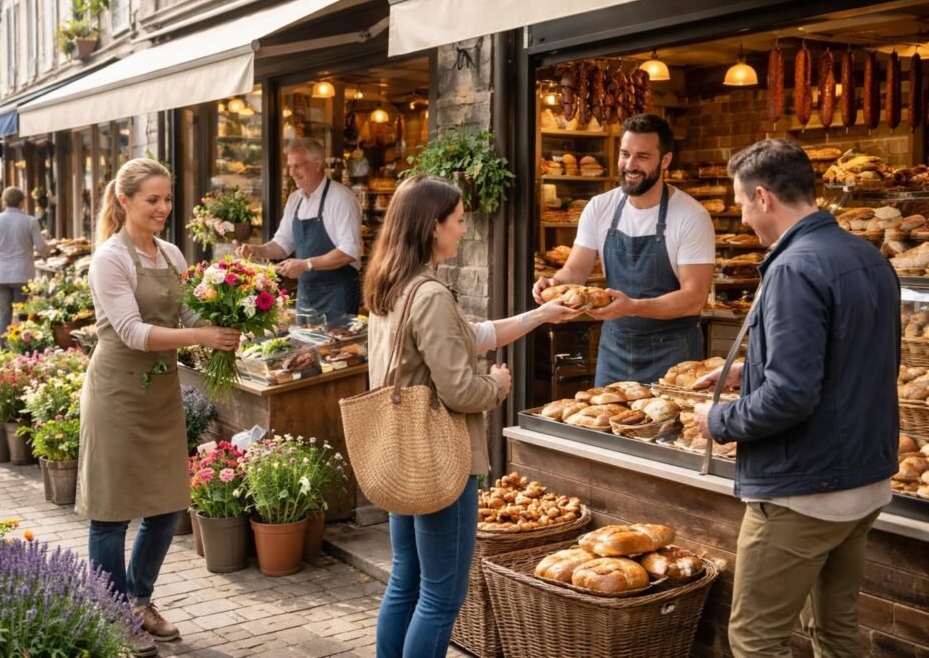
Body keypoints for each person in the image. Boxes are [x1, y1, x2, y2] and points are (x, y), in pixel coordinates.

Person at [692, 139, 899, 658]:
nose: (742, 219)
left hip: (804, 489)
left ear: (763, 197)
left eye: (740, 204)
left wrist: (717, 419)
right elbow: (854, 356)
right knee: (836, 633)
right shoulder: (866, 256)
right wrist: (748, 367)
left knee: (755, 640)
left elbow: (789, 397)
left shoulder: (791, 268)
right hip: (865, 482)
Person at [366, 174, 580, 658]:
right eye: (459, 221)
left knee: (406, 580)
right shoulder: (431, 293)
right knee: (441, 596)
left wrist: (539, 316)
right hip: (440, 458)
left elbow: (473, 335)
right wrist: (498, 387)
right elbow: (462, 391)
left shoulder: (390, 285)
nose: (464, 230)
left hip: (402, 451)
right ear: (431, 225)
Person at [76, 158, 242, 658]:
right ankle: (112, 614)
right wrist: (201, 335)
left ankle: (139, 599)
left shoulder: (171, 254)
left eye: (168, 199)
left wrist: (235, 314)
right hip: (117, 392)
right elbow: (131, 331)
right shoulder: (110, 259)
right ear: (124, 200)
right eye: (153, 199)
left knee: (169, 505)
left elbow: (189, 310)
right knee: (111, 511)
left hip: (160, 391)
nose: (163, 208)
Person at [533, 114, 715, 386]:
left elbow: (695, 297)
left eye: (642, 156)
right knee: (601, 424)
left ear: (665, 161)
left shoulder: (691, 216)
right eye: (625, 154)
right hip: (615, 348)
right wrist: (556, 283)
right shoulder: (599, 207)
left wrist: (632, 307)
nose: (630, 165)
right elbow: (576, 268)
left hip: (674, 354)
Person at [236, 137, 362, 320]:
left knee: (336, 349)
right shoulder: (295, 199)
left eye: (298, 166)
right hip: (306, 295)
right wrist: (257, 250)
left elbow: (349, 251)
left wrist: (306, 264)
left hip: (337, 295)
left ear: (317, 164)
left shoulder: (341, 198)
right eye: (290, 166)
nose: (292, 172)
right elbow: (282, 244)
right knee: (305, 348)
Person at [0, 187, 49, 348]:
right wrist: (48, 250)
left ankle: (4, 348)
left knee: (4, 313)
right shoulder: (30, 221)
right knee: (23, 313)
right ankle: (22, 347)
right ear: (21, 202)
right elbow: (41, 247)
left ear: (4, 201)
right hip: (22, 274)